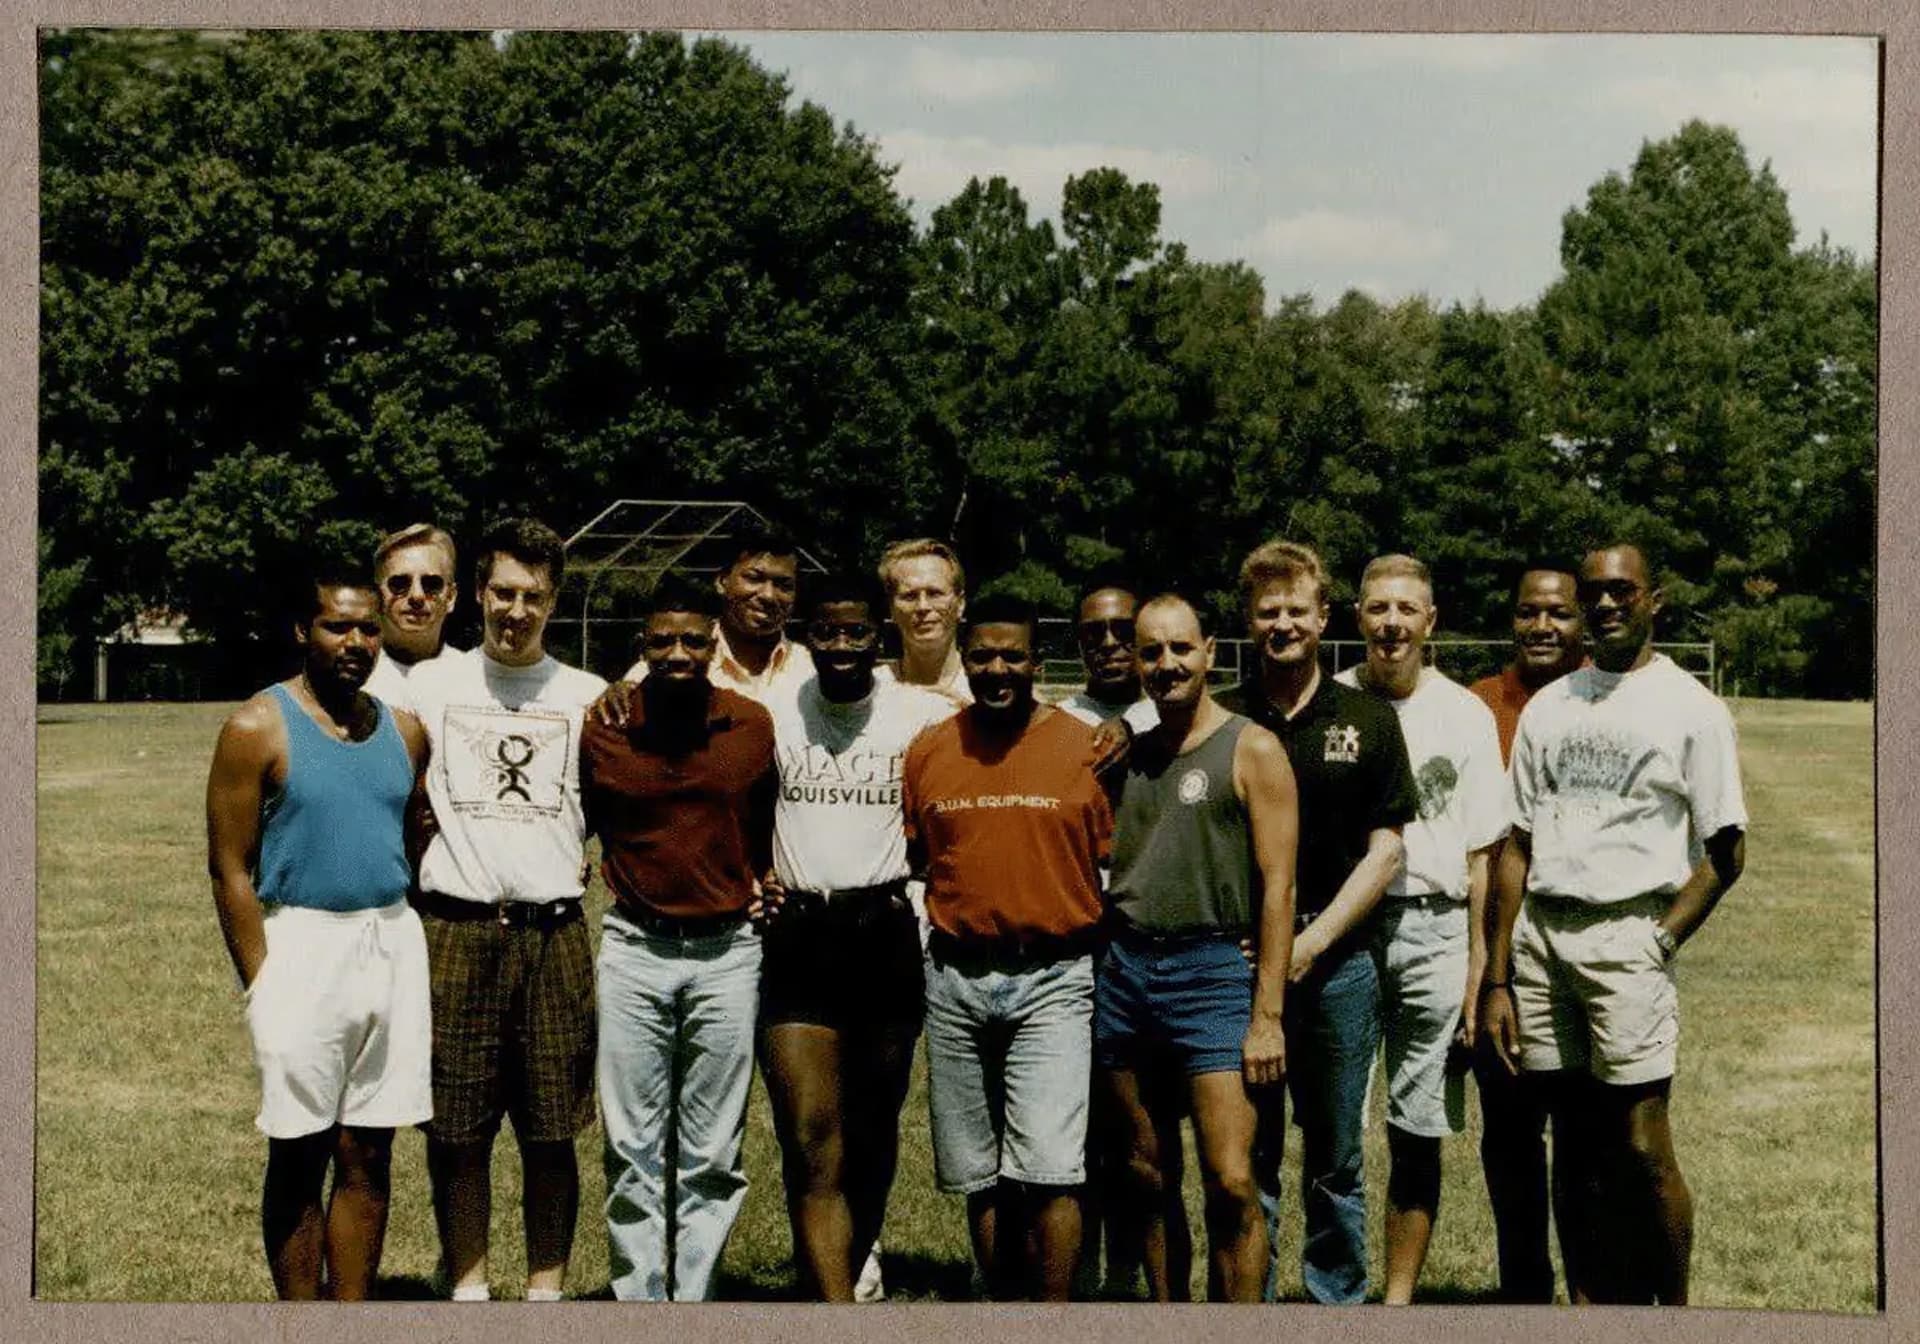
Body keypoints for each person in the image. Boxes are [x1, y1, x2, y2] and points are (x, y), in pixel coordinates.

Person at [1484, 543, 1747, 1305]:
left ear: (1653, 599)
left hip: (1628, 934)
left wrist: (1659, 938)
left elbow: (1727, 853)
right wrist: (1500, 973)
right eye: (1593, 593)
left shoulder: (1691, 707)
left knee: (1639, 1145)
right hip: (1542, 940)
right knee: (1573, 1147)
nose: (1604, 606)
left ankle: (1674, 1310)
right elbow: (1517, 847)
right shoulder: (1551, 705)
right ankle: (1593, 1309)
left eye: (1621, 592)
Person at [205, 561, 432, 1300]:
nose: (357, 641)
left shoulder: (404, 731)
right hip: (301, 945)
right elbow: (230, 868)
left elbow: (408, 836)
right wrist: (263, 981)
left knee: (368, 1150)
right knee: (300, 1151)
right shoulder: (255, 727)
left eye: (370, 627)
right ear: (304, 630)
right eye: (338, 625)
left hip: (390, 941)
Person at [405, 517, 608, 1302]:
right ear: (476, 595)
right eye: (501, 593)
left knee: (553, 1131)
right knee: (457, 1130)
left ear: (553, 602)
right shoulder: (431, 688)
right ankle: (467, 1287)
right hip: (455, 929)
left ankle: (546, 1291)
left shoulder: (588, 696)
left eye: (533, 596)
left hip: (552, 932)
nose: (515, 611)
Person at [1215, 539, 1418, 1304]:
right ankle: (1253, 1306)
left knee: (1335, 1157)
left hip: (1339, 968)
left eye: (1296, 610)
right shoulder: (1224, 718)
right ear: (1247, 620)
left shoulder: (1366, 718)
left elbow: (1387, 852)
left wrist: (1310, 943)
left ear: (1323, 615)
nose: (1282, 625)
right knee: (1250, 1155)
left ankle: (1337, 1306)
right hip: (1240, 967)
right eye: (1267, 612)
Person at [902, 593, 1112, 1300]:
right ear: (965, 658)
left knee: (1051, 1167)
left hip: (1052, 974)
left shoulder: (1084, 747)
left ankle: (1052, 1320)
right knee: (978, 1172)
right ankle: (1001, 1309)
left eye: (1012, 656)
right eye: (983, 655)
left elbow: (1113, 860)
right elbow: (917, 858)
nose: (997, 669)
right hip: (957, 975)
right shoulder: (932, 748)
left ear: (1037, 662)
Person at [755, 575, 956, 1300]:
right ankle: (831, 1309)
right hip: (800, 931)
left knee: (871, 1131)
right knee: (810, 1132)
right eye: (828, 633)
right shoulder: (773, 711)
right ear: (806, 637)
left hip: (885, 932)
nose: (842, 646)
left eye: (857, 633)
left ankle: (849, 1268)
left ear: (881, 636)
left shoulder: (922, 715)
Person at [580, 575, 779, 1301]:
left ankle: (693, 1302)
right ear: (642, 646)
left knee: (711, 1151)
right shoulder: (604, 724)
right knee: (631, 1147)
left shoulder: (751, 725)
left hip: (728, 954)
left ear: (714, 644)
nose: (678, 653)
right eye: (662, 640)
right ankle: (640, 1300)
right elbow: (582, 816)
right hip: (635, 949)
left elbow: (766, 825)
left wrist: (768, 877)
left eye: (694, 639)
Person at [1097, 594, 1298, 1301]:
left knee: (1231, 1178)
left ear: (1209, 651)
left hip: (1213, 975)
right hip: (1126, 971)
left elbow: (1279, 890)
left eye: (1180, 648)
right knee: (1147, 1171)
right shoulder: (1130, 752)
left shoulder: (1252, 747)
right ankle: (1169, 1315)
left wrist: (1266, 1013)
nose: (1166, 664)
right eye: (1151, 651)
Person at [1333, 555, 1507, 1303]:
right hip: (1344, 929)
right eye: (1378, 608)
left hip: (1432, 930)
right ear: (1358, 616)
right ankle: (1335, 1287)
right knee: (1334, 1126)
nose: (1392, 624)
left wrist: (1476, 968)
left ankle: (1398, 1302)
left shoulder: (1463, 713)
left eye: (1407, 609)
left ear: (1430, 622)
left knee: (1417, 1124)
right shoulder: (1330, 701)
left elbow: (1482, 855)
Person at [1466, 564, 1586, 1303]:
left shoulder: (1599, 699)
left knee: (1583, 1134)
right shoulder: (1481, 705)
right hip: (1494, 951)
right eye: (1528, 613)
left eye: (1558, 614)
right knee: (1510, 1134)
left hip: (1573, 938)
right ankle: (1524, 1293)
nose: (1542, 627)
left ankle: (1593, 1293)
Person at [1058, 575, 1164, 1300]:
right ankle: (1082, 1270)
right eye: (1093, 632)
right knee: (1085, 1126)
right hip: (1081, 936)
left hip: (1161, 938)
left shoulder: (1178, 708)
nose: (1108, 644)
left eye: (1122, 629)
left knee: (1145, 1134)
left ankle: (1136, 1271)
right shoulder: (1058, 720)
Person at [616, 523, 814, 702]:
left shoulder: (811, 670)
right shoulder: (672, 664)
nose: (768, 595)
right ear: (722, 582)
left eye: (784, 585)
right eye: (754, 578)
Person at [364, 524, 461, 713]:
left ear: (450, 597)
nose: (416, 596)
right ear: (377, 595)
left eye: (431, 584)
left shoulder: (474, 681)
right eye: (399, 584)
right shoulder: (352, 677)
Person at [875, 538, 971, 706]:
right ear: (891, 608)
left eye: (935, 593)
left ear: (960, 603)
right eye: (909, 596)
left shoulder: (986, 689)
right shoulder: (873, 692)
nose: (923, 606)